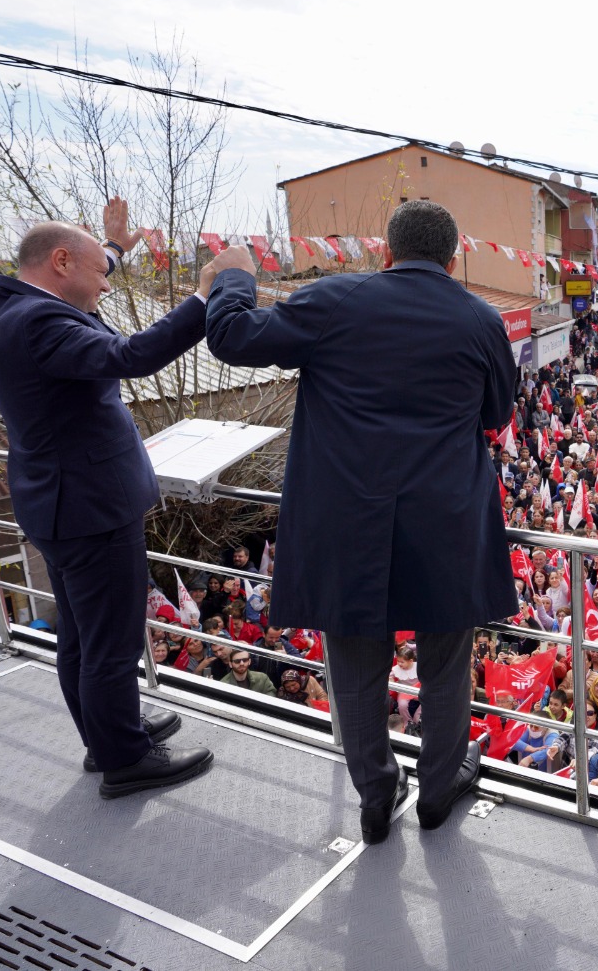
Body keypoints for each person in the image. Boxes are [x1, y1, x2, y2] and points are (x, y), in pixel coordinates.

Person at [205, 200, 516, 841]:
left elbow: (232, 339)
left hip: (347, 516)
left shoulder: (333, 299)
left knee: (353, 662)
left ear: (384, 252)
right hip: (446, 519)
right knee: (446, 663)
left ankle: (376, 796)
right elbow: (498, 412)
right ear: (453, 257)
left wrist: (234, 275)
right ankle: (439, 790)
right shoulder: (482, 320)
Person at [0, 199, 211, 798]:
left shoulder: (8, 304)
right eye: (100, 272)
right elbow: (130, 356)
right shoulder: (41, 325)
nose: (106, 284)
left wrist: (114, 247)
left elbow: (79, 280)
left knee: (79, 635)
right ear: (61, 261)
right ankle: (124, 759)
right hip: (93, 506)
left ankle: (107, 734)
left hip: (54, 501)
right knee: (112, 642)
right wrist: (203, 296)